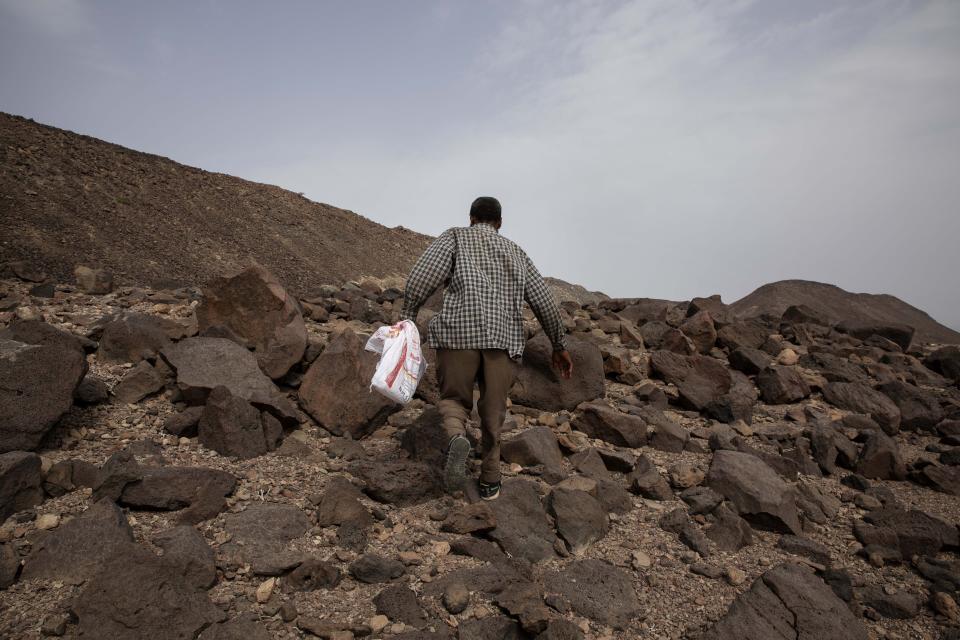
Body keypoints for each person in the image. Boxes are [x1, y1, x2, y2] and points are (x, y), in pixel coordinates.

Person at [400, 196, 573, 500]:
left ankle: (456, 438)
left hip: (457, 336)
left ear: (471, 217)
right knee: (494, 411)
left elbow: (421, 277)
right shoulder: (516, 251)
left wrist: (408, 316)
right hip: (502, 341)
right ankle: (490, 478)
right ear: (500, 223)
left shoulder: (455, 236)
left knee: (454, 399)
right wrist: (558, 344)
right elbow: (543, 300)